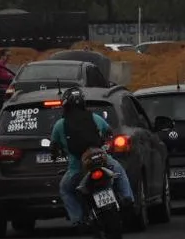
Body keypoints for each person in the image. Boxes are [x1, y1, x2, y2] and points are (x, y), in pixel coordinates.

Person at [49, 86, 133, 227]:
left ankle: (77, 219)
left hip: (77, 169)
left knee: (65, 189)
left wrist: (55, 154)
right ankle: (128, 198)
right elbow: (108, 132)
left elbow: (54, 146)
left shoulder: (59, 125)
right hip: (103, 160)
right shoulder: (95, 118)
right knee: (120, 171)